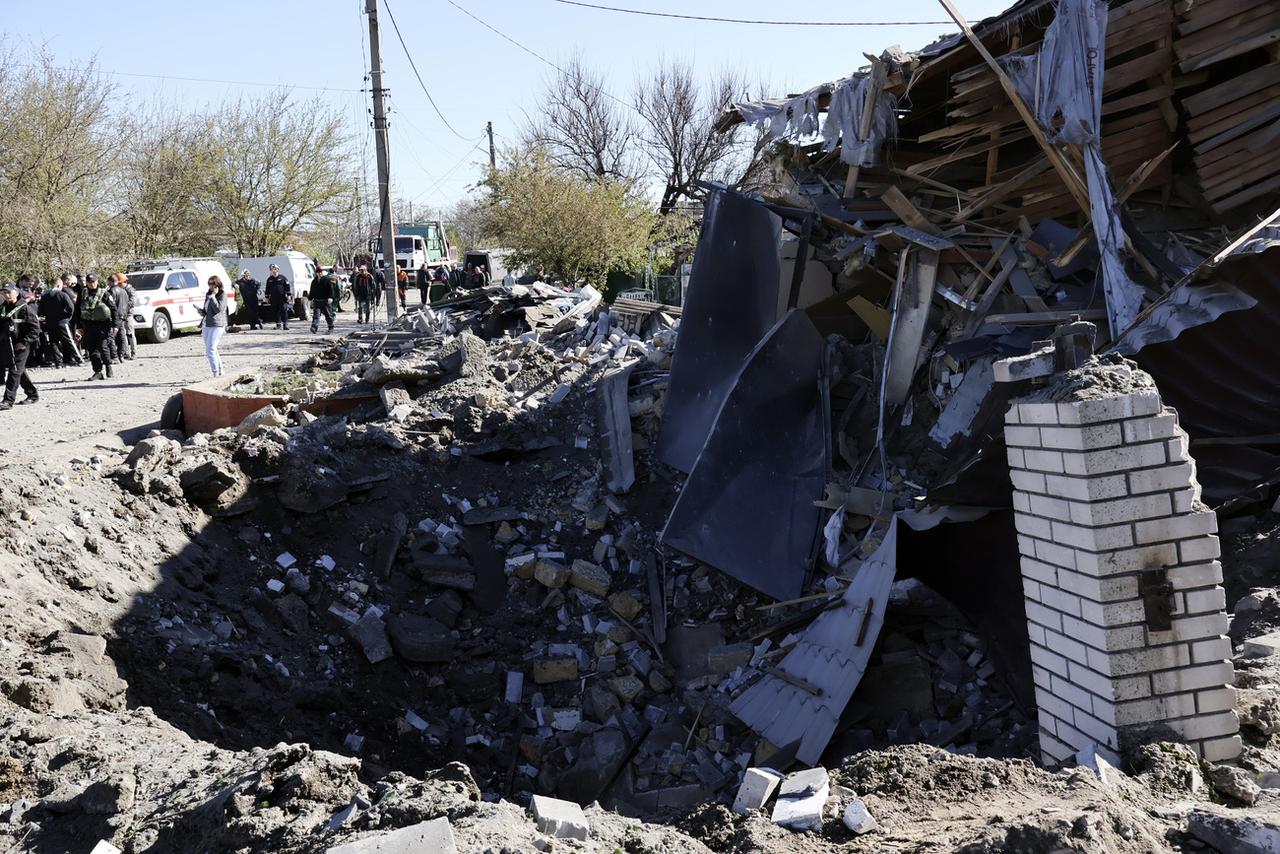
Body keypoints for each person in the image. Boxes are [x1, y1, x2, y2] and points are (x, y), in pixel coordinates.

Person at [0, 283, 40, 409]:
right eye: (4, 292)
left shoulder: (25, 308)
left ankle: (8, 400)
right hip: (7, 344)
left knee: (14, 372)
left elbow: (35, 329)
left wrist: (24, 342)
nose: (6, 295)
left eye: (8, 292)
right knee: (18, 371)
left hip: (21, 345)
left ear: (16, 293)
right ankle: (32, 394)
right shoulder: (2, 308)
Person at [75, 274, 116, 380]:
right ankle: (98, 371)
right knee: (91, 349)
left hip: (103, 325)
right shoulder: (83, 293)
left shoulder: (104, 293)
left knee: (103, 347)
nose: (91, 284)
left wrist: (115, 325)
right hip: (88, 325)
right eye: (89, 282)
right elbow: (77, 310)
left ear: (97, 281)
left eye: (93, 281)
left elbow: (113, 309)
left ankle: (108, 366)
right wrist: (79, 326)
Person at [198, 276, 229, 377]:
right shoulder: (208, 294)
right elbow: (207, 310)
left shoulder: (222, 295)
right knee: (213, 349)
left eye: (213, 284)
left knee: (210, 349)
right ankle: (220, 370)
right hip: (206, 324)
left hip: (217, 324)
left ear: (218, 284)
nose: (211, 286)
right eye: (209, 284)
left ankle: (215, 372)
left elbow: (218, 309)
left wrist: (214, 296)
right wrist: (201, 312)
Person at [110, 273, 136, 361]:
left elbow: (132, 302)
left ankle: (133, 352)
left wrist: (123, 308)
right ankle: (125, 352)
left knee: (130, 334)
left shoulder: (130, 290)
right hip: (121, 315)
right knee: (122, 335)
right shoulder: (120, 290)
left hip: (128, 315)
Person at [264, 264, 292, 330]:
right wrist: (267, 297)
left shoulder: (283, 278)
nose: (273, 270)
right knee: (275, 311)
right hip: (273, 298)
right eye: (272, 269)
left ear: (277, 270)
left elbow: (287, 287)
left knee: (283, 311)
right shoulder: (269, 279)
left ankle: (285, 325)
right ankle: (278, 325)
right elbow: (267, 289)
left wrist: (288, 295)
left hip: (282, 298)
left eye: (275, 269)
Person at [308, 268, 335, 333]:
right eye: (318, 272)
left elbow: (330, 290)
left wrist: (330, 297)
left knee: (328, 315)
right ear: (316, 273)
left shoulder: (326, 280)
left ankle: (331, 327)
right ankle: (314, 327)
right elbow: (312, 290)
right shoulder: (314, 281)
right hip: (317, 301)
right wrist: (310, 298)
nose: (319, 274)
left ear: (322, 273)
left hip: (325, 301)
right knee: (316, 315)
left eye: (320, 272)